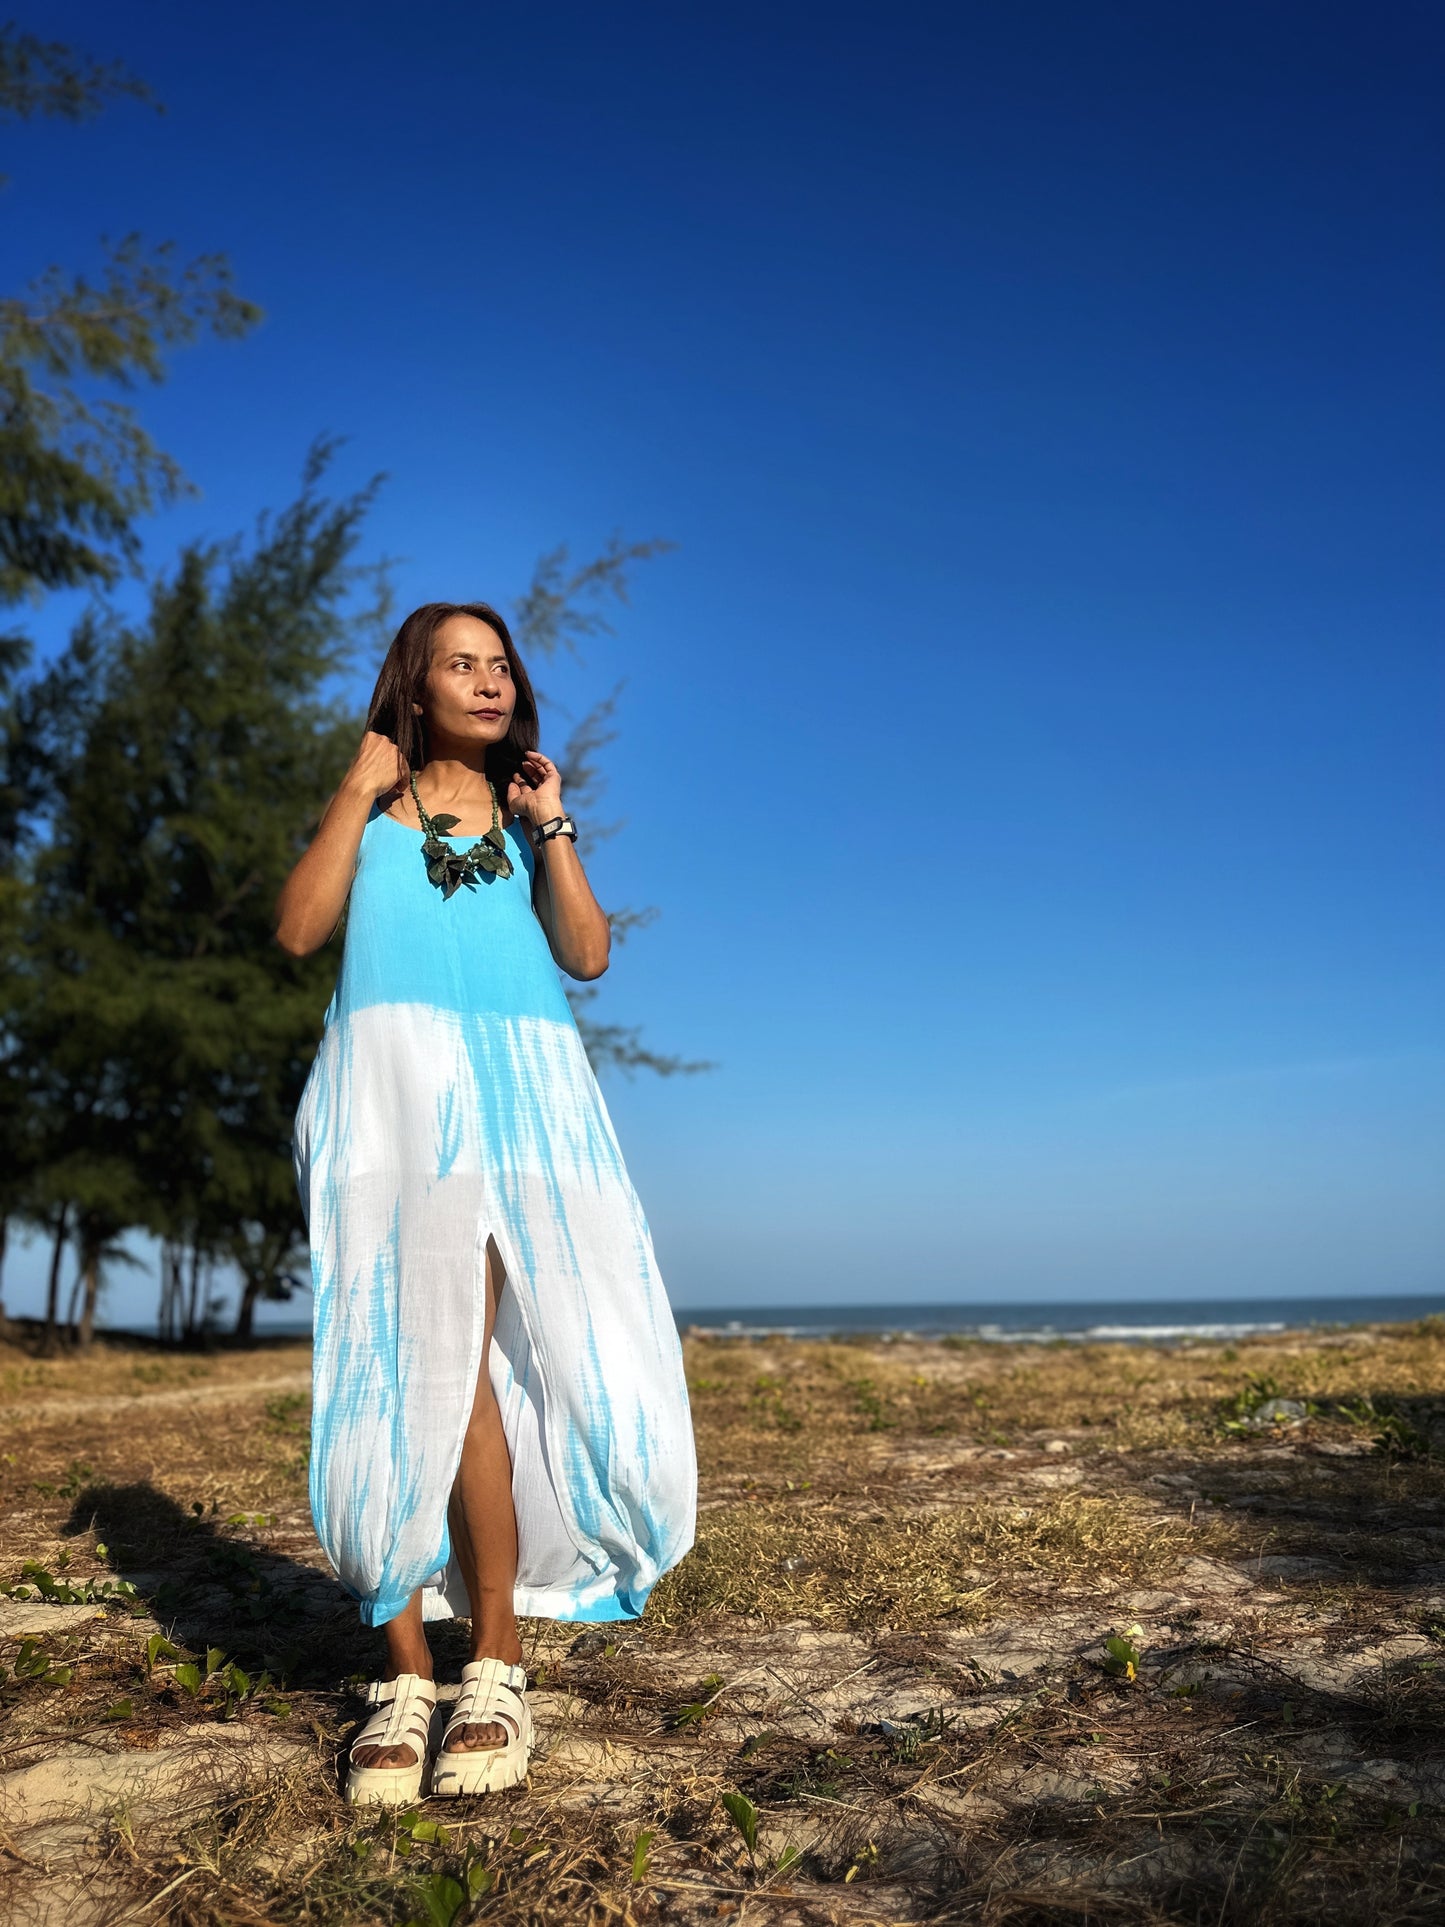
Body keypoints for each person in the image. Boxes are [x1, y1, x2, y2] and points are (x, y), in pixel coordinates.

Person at [275, 600, 696, 1805]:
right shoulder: (373, 813)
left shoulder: (522, 818)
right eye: (461, 664)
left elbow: (588, 953)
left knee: (463, 1373)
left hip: (516, 1100)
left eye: (500, 664)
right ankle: (407, 1669)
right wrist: (353, 795)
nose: (489, 680)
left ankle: (492, 1659)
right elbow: (299, 928)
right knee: (400, 1366)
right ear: (413, 685)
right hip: (390, 1100)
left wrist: (552, 820)